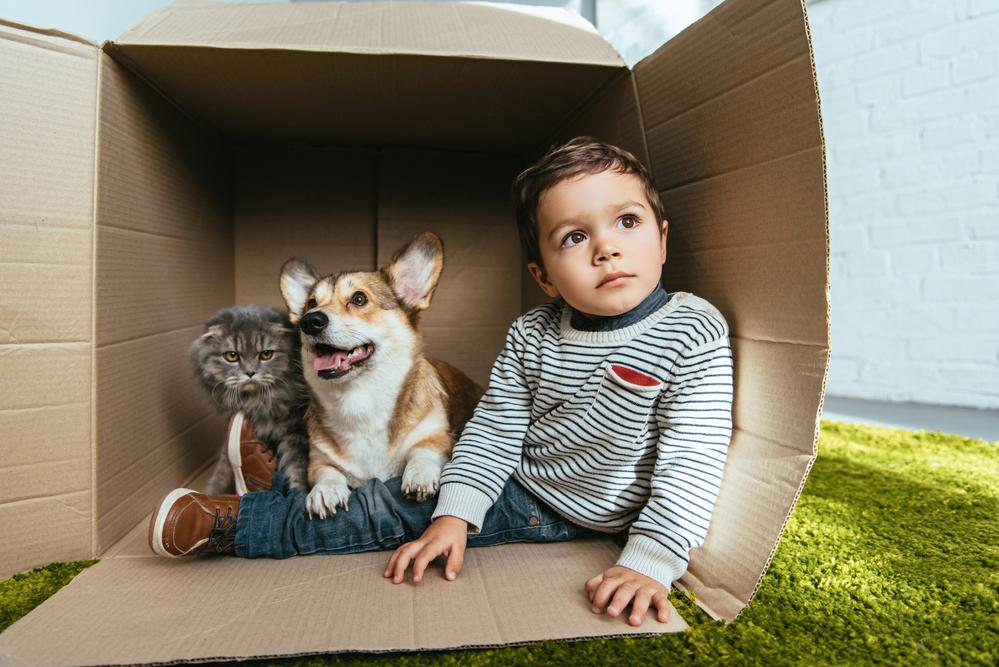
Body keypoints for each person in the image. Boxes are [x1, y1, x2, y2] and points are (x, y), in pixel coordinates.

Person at [148, 137, 733, 627]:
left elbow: (694, 456)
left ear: (661, 236)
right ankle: (276, 484)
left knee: (385, 513)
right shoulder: (532, 332)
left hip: (576, 508)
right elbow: (494, 432)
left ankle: (237, 525)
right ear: (544, 276)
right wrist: (456, 511)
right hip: (518, 476)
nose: (606, 247)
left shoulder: (692, 329)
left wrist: (652, 559)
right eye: (574, 237)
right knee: (417, 499)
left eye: (626, 222)